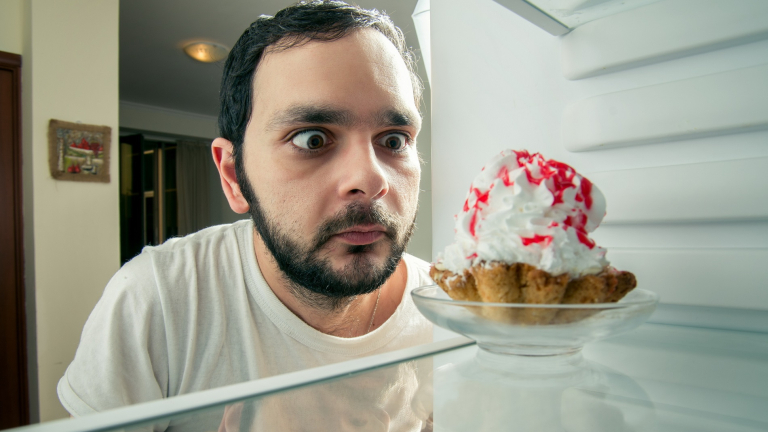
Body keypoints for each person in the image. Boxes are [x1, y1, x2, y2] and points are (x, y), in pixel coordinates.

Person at [58, 1, 433, 430]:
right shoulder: (158, 300)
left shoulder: (452, 309)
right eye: (312, 139)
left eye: (394, 140)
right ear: (233, 176)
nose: (371, 179)